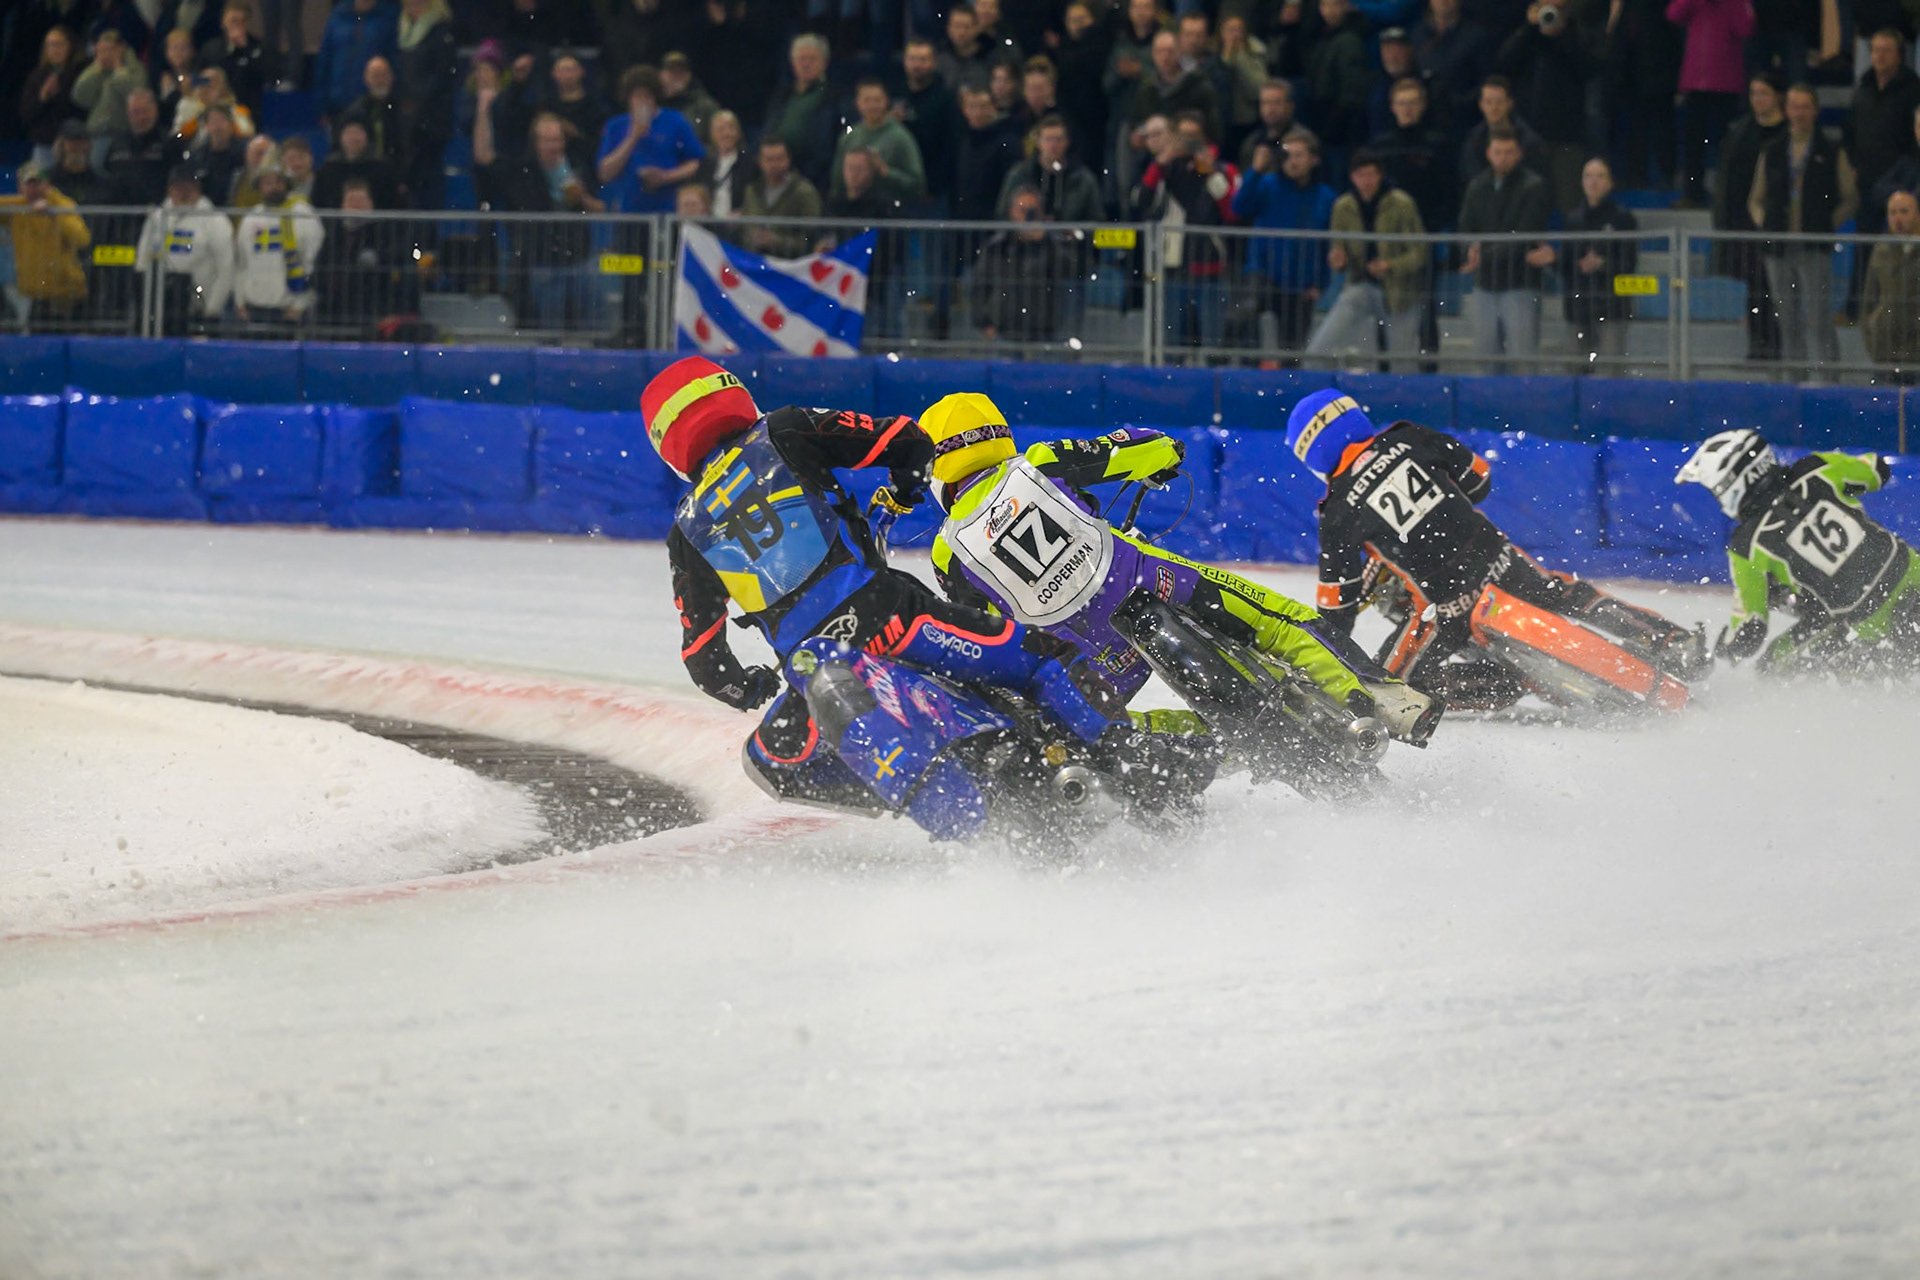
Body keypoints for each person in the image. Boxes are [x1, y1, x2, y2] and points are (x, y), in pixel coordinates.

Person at [641, 358, 1202, 825]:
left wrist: (749, 686)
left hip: (814, 669)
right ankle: (1133, 762)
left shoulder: (685, 532)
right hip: (891, 616)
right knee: (1045, 658)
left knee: (770, 763)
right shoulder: (784, 430)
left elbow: (704, 659)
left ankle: (936, 802)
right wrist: (908, 482)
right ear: (730, 392)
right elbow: (904, 438)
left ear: (668, 442)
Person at [921, 393, 1438, 744]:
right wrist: (1165, 453)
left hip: (1088, 652)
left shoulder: (947, 551)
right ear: (996, 433)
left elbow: (986, 630)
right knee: (1272, 619)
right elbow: (1142, 445)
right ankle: (1381, 699)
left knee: (1104, 729)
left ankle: (1202, 745)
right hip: (1146, 579)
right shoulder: (1039, 461)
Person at [1288, 389, 1709, 705]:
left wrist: (1329, 661)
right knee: (1560, 593)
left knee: (1392, 691)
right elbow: (1478, 481)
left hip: (1447, 605)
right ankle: (1669, 639)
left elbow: (1337, 611)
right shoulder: (1408, 436)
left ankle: (1505, 680)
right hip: (1498, 557)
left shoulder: (1338, 510)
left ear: (1314, 454)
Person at [1676, 430, 1920, 672]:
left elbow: (1750, 631)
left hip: (1870, 625)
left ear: (1733, 485)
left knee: (1770, 665)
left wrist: (1727, 649)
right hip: (1912, 569)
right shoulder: (1813, 470)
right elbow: (1878, 470)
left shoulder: (1747, 546)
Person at [1748, 83, 1855, 377]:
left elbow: (1850, 198)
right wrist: (1766, 224)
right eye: (1794, 106)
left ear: (1815, 110)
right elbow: (1755, 199)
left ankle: (1829, 377)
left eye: (1805, 107)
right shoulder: (1772, 150)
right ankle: (1794, 379)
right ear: (1786, 109)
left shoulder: (1831, 150)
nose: (1799, 113)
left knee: (1820, 319)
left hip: (1814, 247)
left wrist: (1825, 225)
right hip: (1779, 248)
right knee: (1788, 319)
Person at [481, 111, 606, 330]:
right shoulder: (523, 171)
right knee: (550, 326)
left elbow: (600, 208)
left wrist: (582, 197)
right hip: (543, 262)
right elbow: (484, 157)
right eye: (547, 140)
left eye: (557, 139)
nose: (553, 146)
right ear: (536, 143)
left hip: (580, 257)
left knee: (591, 323)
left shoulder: (577, 165)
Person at [1133, 111, 1240, 356]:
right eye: (1183, 136)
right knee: (1171, 346)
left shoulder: (1223, 170)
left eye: (1194, 137)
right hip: (1172, 268)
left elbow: (1232, 213)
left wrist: (1210, 173)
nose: (1188, 143)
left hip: (1210, 269)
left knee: (1214, 347)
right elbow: (1141, 201)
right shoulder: (1165, 171)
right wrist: (1161, 163)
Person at [1307, 149, 1426, 369]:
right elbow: (1338, 248)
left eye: (1371, 174)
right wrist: (1338, 260)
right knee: (1319, 348)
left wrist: (1390, 265)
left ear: (1380, 175)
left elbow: (1418, 252)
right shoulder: (1343, 206)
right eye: (1360, 175)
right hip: (1361, 285)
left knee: (1402, 364)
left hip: (1400, 292)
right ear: (1352, 177)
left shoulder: (1401, 204)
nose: (1366, 181)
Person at [1233, 125, 1337, 361]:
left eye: (1299, 155)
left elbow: (1328, 245)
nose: (1292, 161)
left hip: (1301, 284)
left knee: (1292, 352)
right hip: (1262, 273)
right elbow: (1239, 207)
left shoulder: (1326, 197)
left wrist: (1320, 283)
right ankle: (1238, 374)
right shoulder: (1267, 185)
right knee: (1240, 317)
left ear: (1314, 159)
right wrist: (1255, 170)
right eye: (1287, 155)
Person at [1457, 125, 1554, 373]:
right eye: (1498, 151)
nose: (1503, 157)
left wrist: (1482, 256)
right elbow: (1466, 228)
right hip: (1485, 286)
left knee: (1524, 361)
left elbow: (1523, 237)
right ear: (1489, 152)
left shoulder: (1534, 186)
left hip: (1520, 284)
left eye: (1509, 152)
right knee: (1484, 361)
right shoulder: (1477, 186)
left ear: (1519, 153)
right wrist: (1469, 250)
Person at [1495, 0, 1598, 209]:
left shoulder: (1579, 32)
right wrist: (1529, 28)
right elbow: (1504, 64)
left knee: (1570, 204)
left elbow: (1591, 68)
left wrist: (1563, 35)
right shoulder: (1526, 33)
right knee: (1526, 204)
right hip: (1527, 133)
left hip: (1567, 135)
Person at [1715, 71, 1788, 361]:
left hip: (1776, 220)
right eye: (1754, 93)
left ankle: (1778, 342)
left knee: (1774, 285)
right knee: (1755, 283)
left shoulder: (1785, 133)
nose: (1758, 99)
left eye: (1764, 93)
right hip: (1743, 219)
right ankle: (1758, 342)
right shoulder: (1740, 131)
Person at [1666, 0, 1754, 207]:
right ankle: (1692, 194)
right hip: (1696, 82)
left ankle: (1728, 195)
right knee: (1693, 144)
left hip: (1727, 84)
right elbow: (1674, 14)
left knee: (1728, 145)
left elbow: (1747, 26)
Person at [313, 176, 420, 332]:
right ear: (343, 205)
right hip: (335, 313)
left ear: (370, 205)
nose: (355, 207)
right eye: (351, 201)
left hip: (374, 313)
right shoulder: (333, 235)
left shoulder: (385, 235)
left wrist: (397, 311)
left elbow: (405, 274)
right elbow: (320, 272)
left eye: (360, 202)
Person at [135, 165, 234, 333]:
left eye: (190, 188)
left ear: (199, 190)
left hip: (198, 309)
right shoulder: (157, 218)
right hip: (160, 308)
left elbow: (226, 267)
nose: (184, 194)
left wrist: (212, 309)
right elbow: (143, 259)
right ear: (169, 190)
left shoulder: (216, 221)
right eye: (178, 188)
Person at [1561, 157, 1639, 372]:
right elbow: (1566, 264)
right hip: (1579, 306)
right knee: (1575, 368)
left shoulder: (1623, 219)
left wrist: (1603, 264)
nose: (1593, 182)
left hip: (1612, 306)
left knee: (1610, 369)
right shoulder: (1573, 219)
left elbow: (1629, 262)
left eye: (1599, 176)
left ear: (1610, 182)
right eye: (1588, 176)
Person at [970, 185, 1074, 343]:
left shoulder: (1052, 245)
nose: (1027, 217)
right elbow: (979, 286)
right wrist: (984, 323)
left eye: (1032, 211)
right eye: (1022, 210)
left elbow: (1070, 270)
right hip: (1002, 330)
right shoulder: (996, 246)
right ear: (1011, 211)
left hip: (1043, 332)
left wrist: (1044, 240)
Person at [232, 161, 324, 328]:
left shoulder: (304, 215)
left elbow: (312, 263)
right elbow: (241, 263)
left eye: (278, 182)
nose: (273, 187)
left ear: (287, 184)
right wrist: (240, 301)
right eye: (267, 183)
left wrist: (300, 305)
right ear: (259, 186)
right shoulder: (251, 218)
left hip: (289, 310)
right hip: (253, 307)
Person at [0, 161, 91, 328]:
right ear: (20, 186)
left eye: (39, 183)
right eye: (29, 183)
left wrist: (53, 214)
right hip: (38, 294)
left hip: (65, 295)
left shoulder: (62, 205)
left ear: (47, 184)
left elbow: (82, 239)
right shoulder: (18, 207)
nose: (34, 189)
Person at [392, 0, 459, 210]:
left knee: (428, 175)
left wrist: (417, 103)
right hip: (405, 116)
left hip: (431, 120)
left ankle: (428, 234)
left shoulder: (441, 32)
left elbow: (441, 76)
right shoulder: (399, 31)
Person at [830, 78, 927, 206]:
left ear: (886, 101)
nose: (872, 106)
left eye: (877, 100)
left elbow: (918, 184)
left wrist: (886, 172)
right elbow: (837, 182)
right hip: (853, 210)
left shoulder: (900, 137)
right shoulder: (849, 137)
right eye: (867, 100)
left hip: (889, 211)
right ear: (857, 103)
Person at [762, 34, 838, 193]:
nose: (805, 64)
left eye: (811, 59)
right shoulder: (781, 95)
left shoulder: (833, 97)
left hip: (813, 177)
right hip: (776, 173)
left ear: (824, 63)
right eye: (801, 59)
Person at [994, 115, 1103, 222]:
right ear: (1038, 141)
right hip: (1025, 238)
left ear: (1067, 142)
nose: (1053, 145)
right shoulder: (1020, 174)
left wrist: (1077, 233)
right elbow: (1003, 213)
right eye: (1048, 139)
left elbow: (1096, 218)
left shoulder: (1083, 179)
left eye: (1058, 140)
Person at [897, 37, 961, 207]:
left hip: (933, 193)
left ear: (934, 63)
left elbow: (951, 148)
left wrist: (933, 188)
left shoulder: (946, 100)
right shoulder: (896, 95)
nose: (917, 65)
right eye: (912, 59)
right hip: (898, 189)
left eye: (923, 59)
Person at [1413, 0, 1492, 136]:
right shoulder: (1418, 35)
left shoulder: (1475, 36)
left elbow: (1485, 82)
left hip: (1464, 123)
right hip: (1425, 122)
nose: (1444, 1)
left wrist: (1457, 103)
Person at [314, 0, 399, 125]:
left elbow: (394, 61)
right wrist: (322, 105)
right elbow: (325, 62)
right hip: (338, 105)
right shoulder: (338, 15)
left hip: (373, 107)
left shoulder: (389, 16)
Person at [72, 29, 149, 166]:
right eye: (101, 49)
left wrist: (118, 69)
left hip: (124, 134)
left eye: (110, 49)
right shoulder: (95, 70)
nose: (105, 54)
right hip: (96, 134)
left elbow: (136, 95)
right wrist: (96, 71)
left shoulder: (135, 69)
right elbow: (80, 97)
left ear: (121, 48)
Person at [1863, 188, 1920, 370]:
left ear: (1917, 214)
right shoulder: (1881, 251)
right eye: (1893, 212)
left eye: (1904, 212)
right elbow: (1868, 301)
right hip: (1886, 350)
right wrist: (1872, 338)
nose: (1898, 219)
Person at [952, 83, 1025, 221]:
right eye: (972, 106)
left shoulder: (1008, 143)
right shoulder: (963, 142)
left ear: (993, 108)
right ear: (964, 110)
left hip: (994, 222)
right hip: (965, 221)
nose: (977, 113)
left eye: (983, 106)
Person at [1457, 76, 1545, 187]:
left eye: (1499, 102)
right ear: (1481, 105)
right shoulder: (1473, 140)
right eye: (1489, 102)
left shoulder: (1529, 142)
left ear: (1509, 103)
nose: (1494, 108)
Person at [740, 136, 822, 256]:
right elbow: (745, 229)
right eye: (769, 159)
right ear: (760, 162)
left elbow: (811, 238)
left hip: (790, 265)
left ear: (788, 160)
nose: (774, 165)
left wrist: (775, 241)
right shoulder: (751, 191)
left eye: (779, 159)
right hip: (755, 265)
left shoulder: (804, 192)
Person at [22, 26, 84, 170]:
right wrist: (42, 98)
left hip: (73, 143)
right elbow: (26, 113)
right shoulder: (37, 76)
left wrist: (60, 94)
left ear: (70, 46)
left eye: (60, 44)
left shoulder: (80, 74)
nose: (55, 49)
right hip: (45, 143)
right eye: (51, 44)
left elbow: (80, 108)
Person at [313, 117, 400, 208]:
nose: (353, 138)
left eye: (358, 132)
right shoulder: (329, 169)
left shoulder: (383, 169)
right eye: (349, 133)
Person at [200, 1, 268, 116]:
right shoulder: (210, 48)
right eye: (234, 21)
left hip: (247, 107)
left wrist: (244, 49)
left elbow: (265, 78)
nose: (238, 26)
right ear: (223, 22)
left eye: (243, 21)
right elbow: (199, 78)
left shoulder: (257, 47)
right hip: (214, 107)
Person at [694, 110, 755, 216]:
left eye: (731, 128)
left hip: (738, 224)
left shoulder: (749, 164)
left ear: (738, 132)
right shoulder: (704, 165)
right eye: (720, 129)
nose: (726, 134)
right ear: (712, 134)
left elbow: (755, 198)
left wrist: (743, 213)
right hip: (709, 223)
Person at [658, 51, 718, 144]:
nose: (677, 75)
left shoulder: (705, 107)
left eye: (681, 71)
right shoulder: (653, 106)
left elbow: (720, 143)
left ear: (689, 75)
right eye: (672, 71)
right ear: (661, 74)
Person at [1238, 80, 1298, 173]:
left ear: (1290, 106)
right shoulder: (1252, 143)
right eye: (1265, 103)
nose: (1270, 108)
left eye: (1277, 102)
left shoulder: (1302, 141)